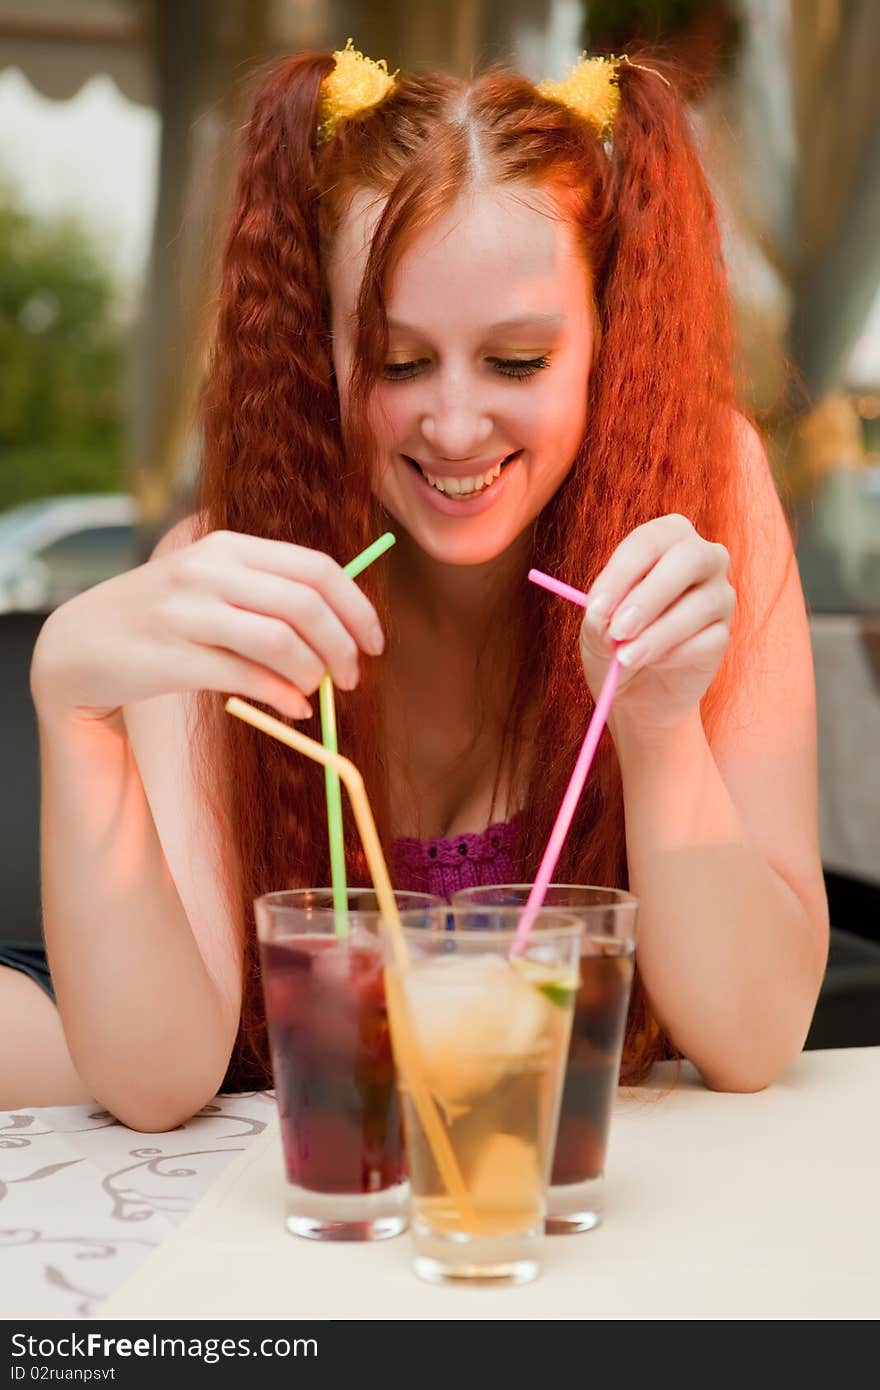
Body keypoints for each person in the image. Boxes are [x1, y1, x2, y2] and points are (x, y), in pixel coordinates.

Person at [1, 47, 828, 1127]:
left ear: (606, 343)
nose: (451, 427)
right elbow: (160, 1083)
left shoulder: (706, 500)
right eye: (396, 362)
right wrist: (71, 703)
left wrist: (660, 723)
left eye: (518, 361)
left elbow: (756, 1035)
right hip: (247, 1077)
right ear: (324, 350)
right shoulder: (231, 572)